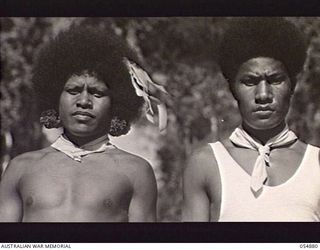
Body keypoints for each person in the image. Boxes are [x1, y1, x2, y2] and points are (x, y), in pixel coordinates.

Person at [0, 25, 158, 222]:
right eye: (73, 90)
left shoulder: (135, 171)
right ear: (55, 98)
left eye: (97, 93)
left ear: (116, 103)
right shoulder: (20, 168)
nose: (84, 101)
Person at [183, 18, 320, 221]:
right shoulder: (206, 163)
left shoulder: (316, 163)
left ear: (293, 85)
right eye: (249, 81)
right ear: (232, 89)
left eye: (275, 80)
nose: (263, 95)